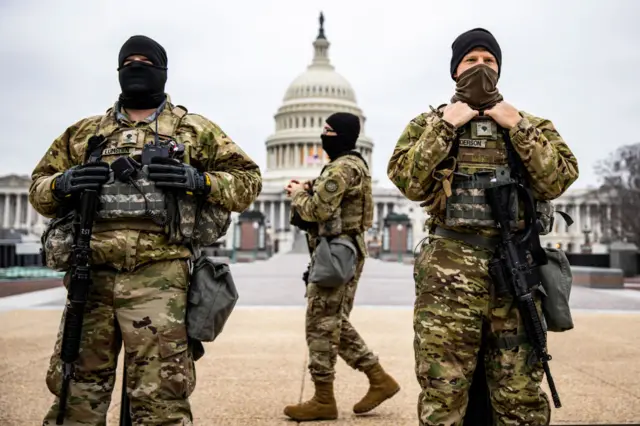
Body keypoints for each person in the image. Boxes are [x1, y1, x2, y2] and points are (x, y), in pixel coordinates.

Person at [29, 34, 262, 425]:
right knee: (76, 394)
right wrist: (63, 183)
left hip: (162, 277)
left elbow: (248, 180)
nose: (137, 68)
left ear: (163, 71)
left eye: (146, 61)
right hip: (93, 274)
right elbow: (39, 188)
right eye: (129, 61)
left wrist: (199, 181)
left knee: (161, 400)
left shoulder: (194, 130)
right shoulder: (86, 133)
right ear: (118, 71)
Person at [387, 28, 579, 425]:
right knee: (444, 392)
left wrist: (517, 126)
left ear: (500, 70)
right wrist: (446, 126)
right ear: (455, 69)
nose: (480, 67)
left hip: (515, 272)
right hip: (448, 272)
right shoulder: (428, 123)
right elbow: (407, 181)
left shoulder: (530, 123)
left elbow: (558, 179)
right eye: (471, 60)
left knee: (520, 392)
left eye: (489, 61)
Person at [282, 112, 400, 422]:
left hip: (336, 251)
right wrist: (312, 186)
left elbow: (318, 210)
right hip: (345, 250)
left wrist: (297, 196)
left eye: (328, 130)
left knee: (321, 322)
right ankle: (378, 378)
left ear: (342, 135)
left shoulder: (341, 168)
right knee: (333, 320)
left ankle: (324, 399)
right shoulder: (355, 165)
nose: (322, 135)